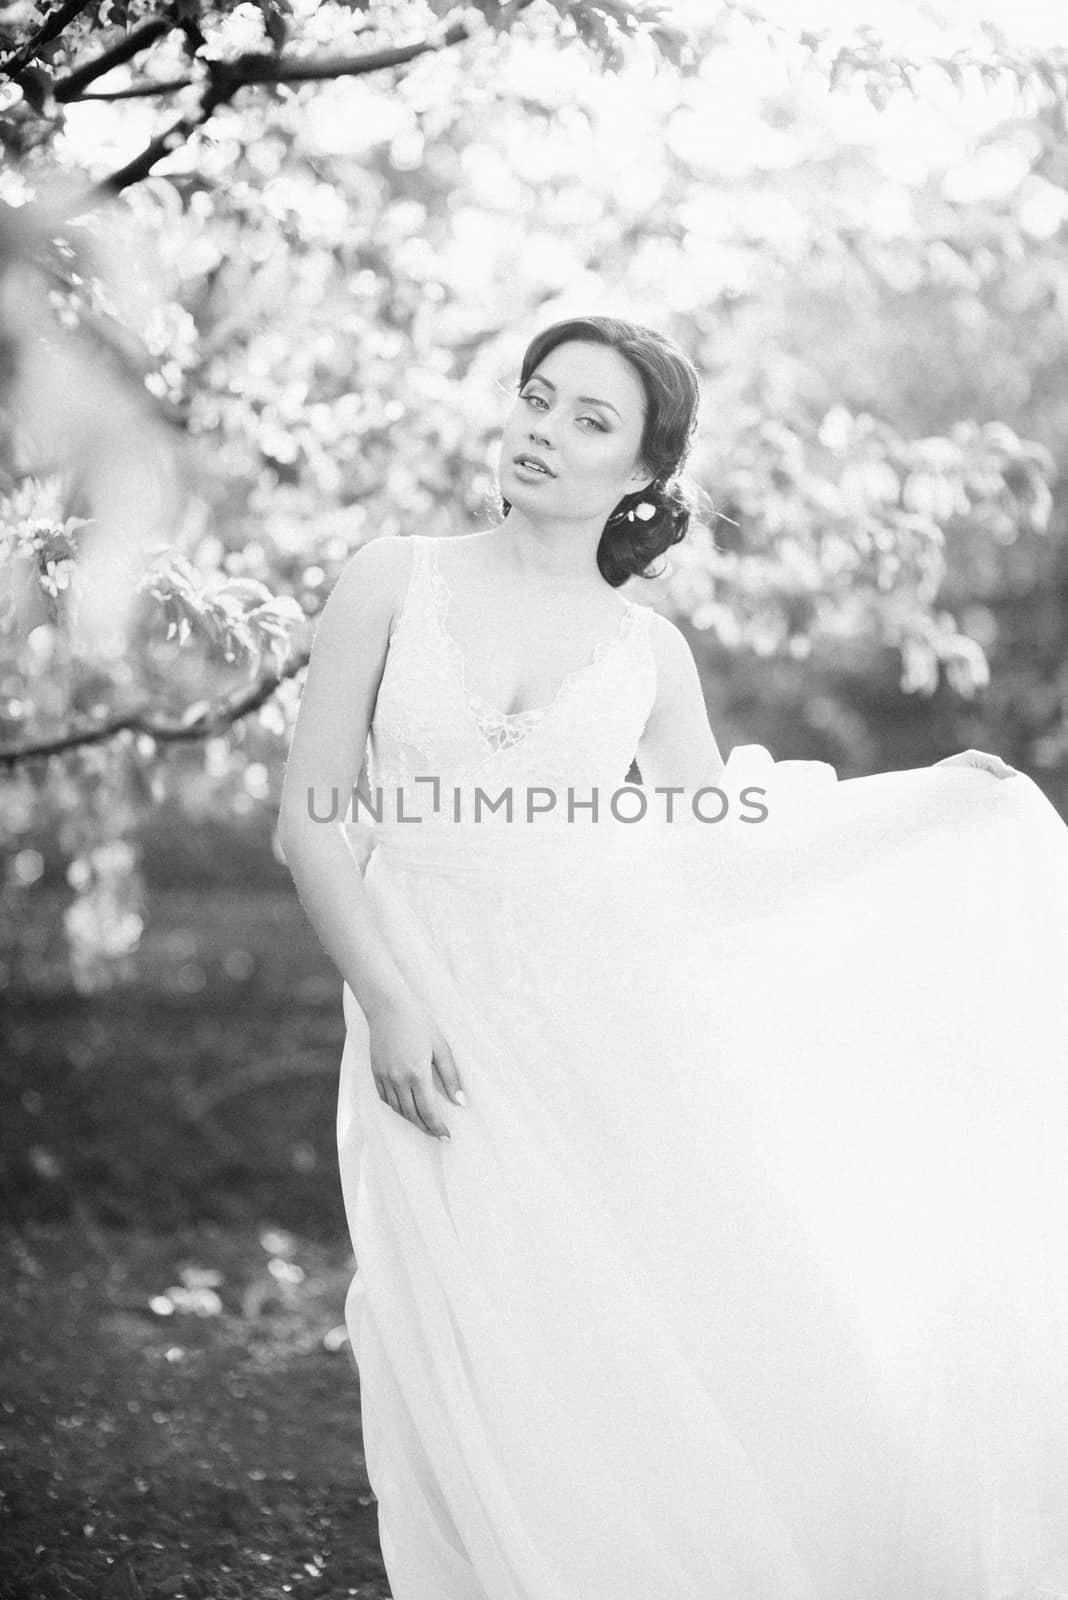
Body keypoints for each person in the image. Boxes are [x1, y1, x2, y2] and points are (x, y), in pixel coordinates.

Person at [277, 315, 1068, 1600]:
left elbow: (721, 859)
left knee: (614, 1355)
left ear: (642, 472)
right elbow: (310, 823)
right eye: (539, 399)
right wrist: (392, 999)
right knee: (461, 1347)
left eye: (590, 419)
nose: (544, 430)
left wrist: (919, 808)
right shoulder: (391, 575)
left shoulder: (650, 652)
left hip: (603, 1024)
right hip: (427, 1015)